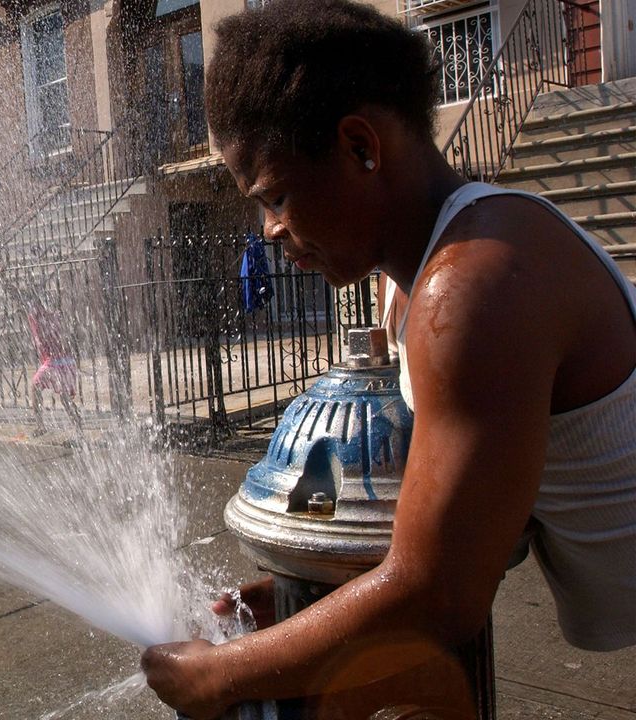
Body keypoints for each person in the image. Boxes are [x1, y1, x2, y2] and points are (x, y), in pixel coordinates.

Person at [141, 1, 636, 716]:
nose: (272, 229)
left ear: (361, 147)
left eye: (275, 195)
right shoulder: (416, 281)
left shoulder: (471, 290)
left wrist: (224, 674)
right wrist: (299, 599)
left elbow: (436, 596)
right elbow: (451, 527)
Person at [0, 269, 84, 437]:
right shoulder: (55, 315)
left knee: (35, 386)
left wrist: (2, 278)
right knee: (66, 399)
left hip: (54, 362)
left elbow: (15, 294)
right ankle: (79, 431)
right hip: (67, 362)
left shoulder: (36, 313)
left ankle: (40, 425)